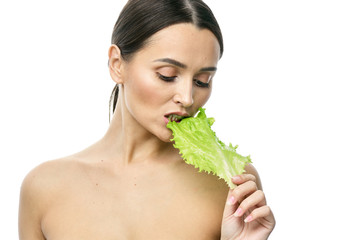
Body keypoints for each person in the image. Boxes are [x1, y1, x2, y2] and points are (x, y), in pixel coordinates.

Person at [19, 0, 275, 239]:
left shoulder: (231, 184)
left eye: (202, 81)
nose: (187, 97)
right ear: (117, 64)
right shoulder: (44, 187)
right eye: (167, 75)